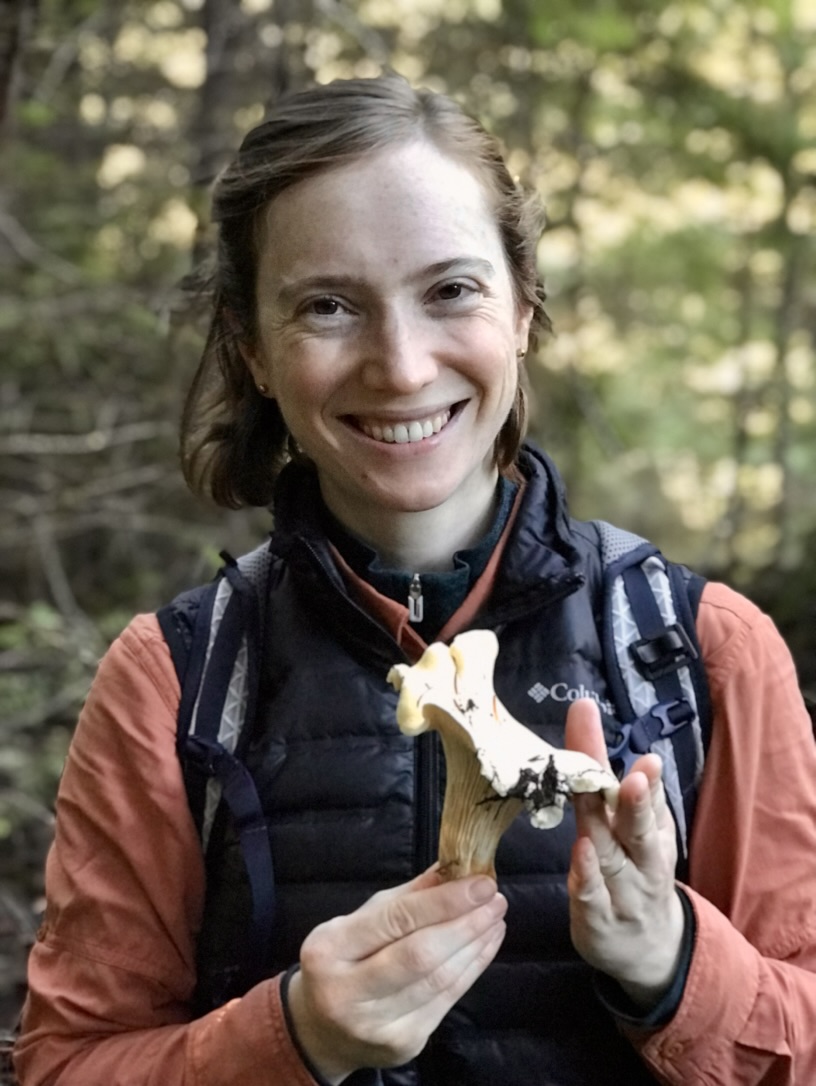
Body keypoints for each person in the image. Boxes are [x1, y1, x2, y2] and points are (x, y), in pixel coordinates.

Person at [13, 73, 816, 1086]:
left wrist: (675, 966)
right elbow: (67, 1064)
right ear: (253, 349)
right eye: (328, 305)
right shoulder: (176, 679)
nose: (399, 367)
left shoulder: (701, 652)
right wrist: (292, 1037)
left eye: (451, 291)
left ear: (522, 305)